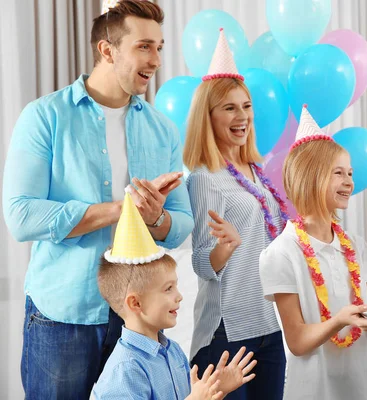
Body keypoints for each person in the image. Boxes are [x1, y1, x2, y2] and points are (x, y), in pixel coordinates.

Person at [2, 1, 193, 398]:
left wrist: (156, 218)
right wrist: (122, 211)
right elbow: (21, 215)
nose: (156, 59)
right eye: (144, 46)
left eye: (159, 47)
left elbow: (181, 223)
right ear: (107, 50)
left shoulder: (163, 130)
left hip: (137, 319)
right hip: (64, 314)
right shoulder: (45, 117)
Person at [259, 105, 367, 400]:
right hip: (313, 392)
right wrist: (340, 320)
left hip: (361, 389)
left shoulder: (355, 245)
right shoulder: (281, 253)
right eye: (339, 173)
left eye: (351, 173)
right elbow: (297, 342)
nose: (349, 181)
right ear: (312, 177)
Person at [183, 29, 287, 399]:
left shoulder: (257, 175)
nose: (242, 116)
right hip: (226, 333)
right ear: (207, 117)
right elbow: (199, 262)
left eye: (246, 106)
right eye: (229, 107)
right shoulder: (204, 178)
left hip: (269, 327)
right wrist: (224, 248)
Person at [93, 191, 256, 399]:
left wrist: (215, 389)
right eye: (168, 288)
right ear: (136, 303)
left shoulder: (173, 351)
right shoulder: (125, 370)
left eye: (176, 286)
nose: (179, 296)